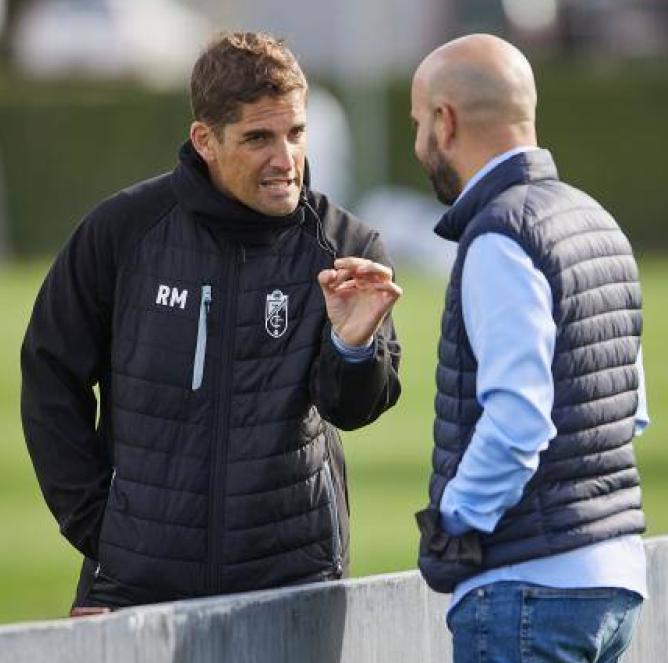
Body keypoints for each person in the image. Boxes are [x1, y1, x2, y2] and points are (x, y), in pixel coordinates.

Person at [21, 32, 402, 614]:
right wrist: (103, 533)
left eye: (296, 133)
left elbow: (353, 409)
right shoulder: (122, 231)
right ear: (205, 140)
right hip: (135, 584)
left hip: (293, 582)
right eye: (258, 138)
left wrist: (353, 346)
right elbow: (50, 375)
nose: (286, 159)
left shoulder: (345, 247)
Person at [410, 35, 650, 663]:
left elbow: (519, 420)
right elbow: (630, 404)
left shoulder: (499, 237)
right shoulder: (594, 218)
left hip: (526, 595)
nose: (418, 140)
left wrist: (454, 522)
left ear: (445, 122)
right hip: (611, 579)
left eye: (417, 122)